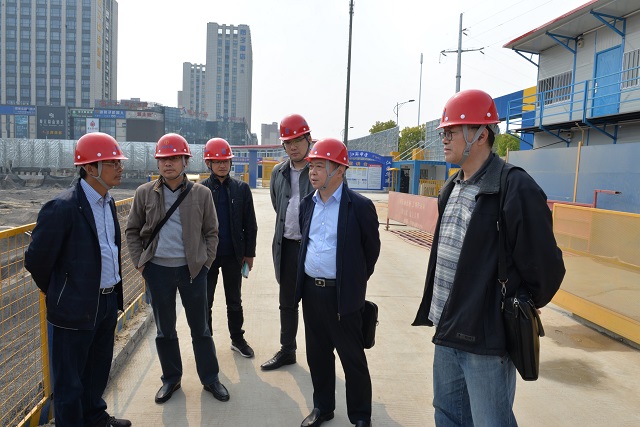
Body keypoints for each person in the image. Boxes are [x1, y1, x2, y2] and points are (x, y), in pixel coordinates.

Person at [412, 89, 565, 426]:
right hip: (447, 328)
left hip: (485, 338)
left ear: (481, 135)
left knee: (490, 420)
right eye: (443, 132)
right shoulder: (451, 188)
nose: (444, 139)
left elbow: (546, 266)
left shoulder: (515, 187)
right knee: (448, 415)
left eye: (451, 132)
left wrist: (520, 303)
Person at [25, 132, 131, 427]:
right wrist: (61, 291)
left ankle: (95, 417)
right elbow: (36, 260)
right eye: (112, 162)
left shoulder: (108, 202)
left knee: (97, 370)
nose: (120, 168)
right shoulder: (62, 207)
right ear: (90, 167)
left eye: (119, 162)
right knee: (69, 382)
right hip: (74, 308)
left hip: (106, 302)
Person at [125, 133, 230, 404]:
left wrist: (205, 264)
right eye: (163, 159)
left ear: (185, 161)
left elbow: (212, 232)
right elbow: (133, 230)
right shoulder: (144, 193)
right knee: (165, 330)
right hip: (157, 271)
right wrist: (141, 264)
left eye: (174, 158)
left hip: (192, 271)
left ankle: (210, 378)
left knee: (201, 329)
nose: (168, 163)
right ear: (157, 163)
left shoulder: (201, 194)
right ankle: (171, 379)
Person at [296, 138, 380, 427]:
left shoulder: (360, 206)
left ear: (340, 170)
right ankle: (323, 408)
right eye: (311, 166)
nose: (313, 172)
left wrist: (353, 281)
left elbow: (371, 251)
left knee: (352, 359)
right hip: (311, 292)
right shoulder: (307, 204)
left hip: (343, 296)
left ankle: (361, 416)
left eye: (320, 166)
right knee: (317, 355)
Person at [261, 113, 314, 371]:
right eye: (288, 142)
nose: (293, 147)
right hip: (287, 246)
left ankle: (318, 354)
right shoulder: (279, 172)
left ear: (309, 139)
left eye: (298, 141)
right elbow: (277, 205)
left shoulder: (320, 168)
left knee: (315, 304)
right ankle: (287, 350)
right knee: (287, 303)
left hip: (313, 248)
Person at [200, 137, 258, 358]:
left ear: (231, 162)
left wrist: (249, 254)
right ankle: (206, 342)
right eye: (217, 161)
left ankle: (237, 339)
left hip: (234, 255)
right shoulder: (200, 190)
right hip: (208, 257)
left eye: (225, 161)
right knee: (205, 301)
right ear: (209, 163)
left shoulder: (241, 189)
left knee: (234, 301)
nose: (222, 165)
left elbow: (250, 224)